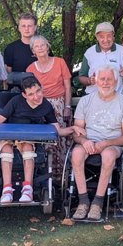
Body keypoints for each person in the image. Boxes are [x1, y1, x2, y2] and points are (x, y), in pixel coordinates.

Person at [0, 76, 83, 204]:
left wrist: (73, 128)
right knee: (6, 149)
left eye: (38, 91)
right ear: (24, 95)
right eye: (31, 94)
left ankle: (27, 188)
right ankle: (7, 190)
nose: (36, 97)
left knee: (28, 148)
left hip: (29, 138)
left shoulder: (46, 106)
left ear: (42, 89)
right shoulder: (15, 101)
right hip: (9, 135)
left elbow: (58, 130)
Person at [70, 65, 123, 220]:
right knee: (77, 153)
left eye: (109, 79)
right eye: (102, 79)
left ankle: (97, 203)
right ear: (96, 81)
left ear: (115, 81)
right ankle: (83, 201)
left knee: (107, 155)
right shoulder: (85, 101)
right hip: (89, 141)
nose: (106, 82)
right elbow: (76, 132)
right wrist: (84, 141)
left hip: (113, 143)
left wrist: (106, 143)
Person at [25, 34, 73, 181]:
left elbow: (67, 87)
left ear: (47, 46)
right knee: (44, 142)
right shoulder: (30, 68)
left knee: (60, 139)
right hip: (39, 105)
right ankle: (45, 177)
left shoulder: (59, 62)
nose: (40, 48)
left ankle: (62, 178)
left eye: (42, 45)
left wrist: (67, 106)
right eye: (36, 46)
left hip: (59, 104)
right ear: (33, 51)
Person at [79, 22, 123, 95]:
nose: (106, 40)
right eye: (102, 36)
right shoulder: (89, 53)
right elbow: (81, 77)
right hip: (93, 97)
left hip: (116, 97)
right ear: (97, 37)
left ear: (113, 36)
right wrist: (89, 81)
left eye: (109, 36)